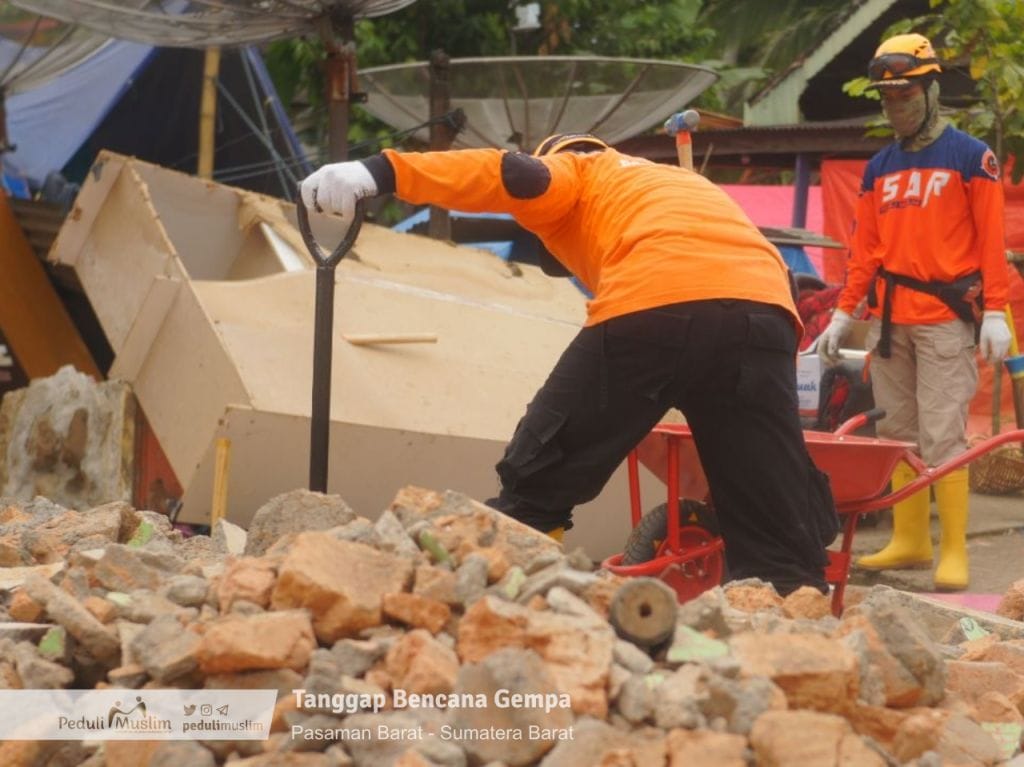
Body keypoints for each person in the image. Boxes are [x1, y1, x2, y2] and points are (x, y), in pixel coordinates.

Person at [300, 131, 838, 596]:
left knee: (541, 469)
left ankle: (506, 586)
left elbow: (515, 174)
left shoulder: (578, 168)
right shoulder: (678, 183)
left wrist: (380, 171)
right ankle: (791, 620)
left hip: (656, 300)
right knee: (771, 504)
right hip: (765, 312)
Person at [816, 33, 1012, 591]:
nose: (895, 106)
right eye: (887, 97)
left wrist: (996, 310)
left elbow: (991, 239)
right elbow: (865, 252)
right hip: (889, 322)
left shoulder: (971, 157)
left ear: (930, 91)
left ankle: (954, 551)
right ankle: (910, 541)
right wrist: (842, 313)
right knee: (896, 434)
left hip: (945, 318)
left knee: (943, 434)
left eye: (904, 95)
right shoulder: (879, 168)